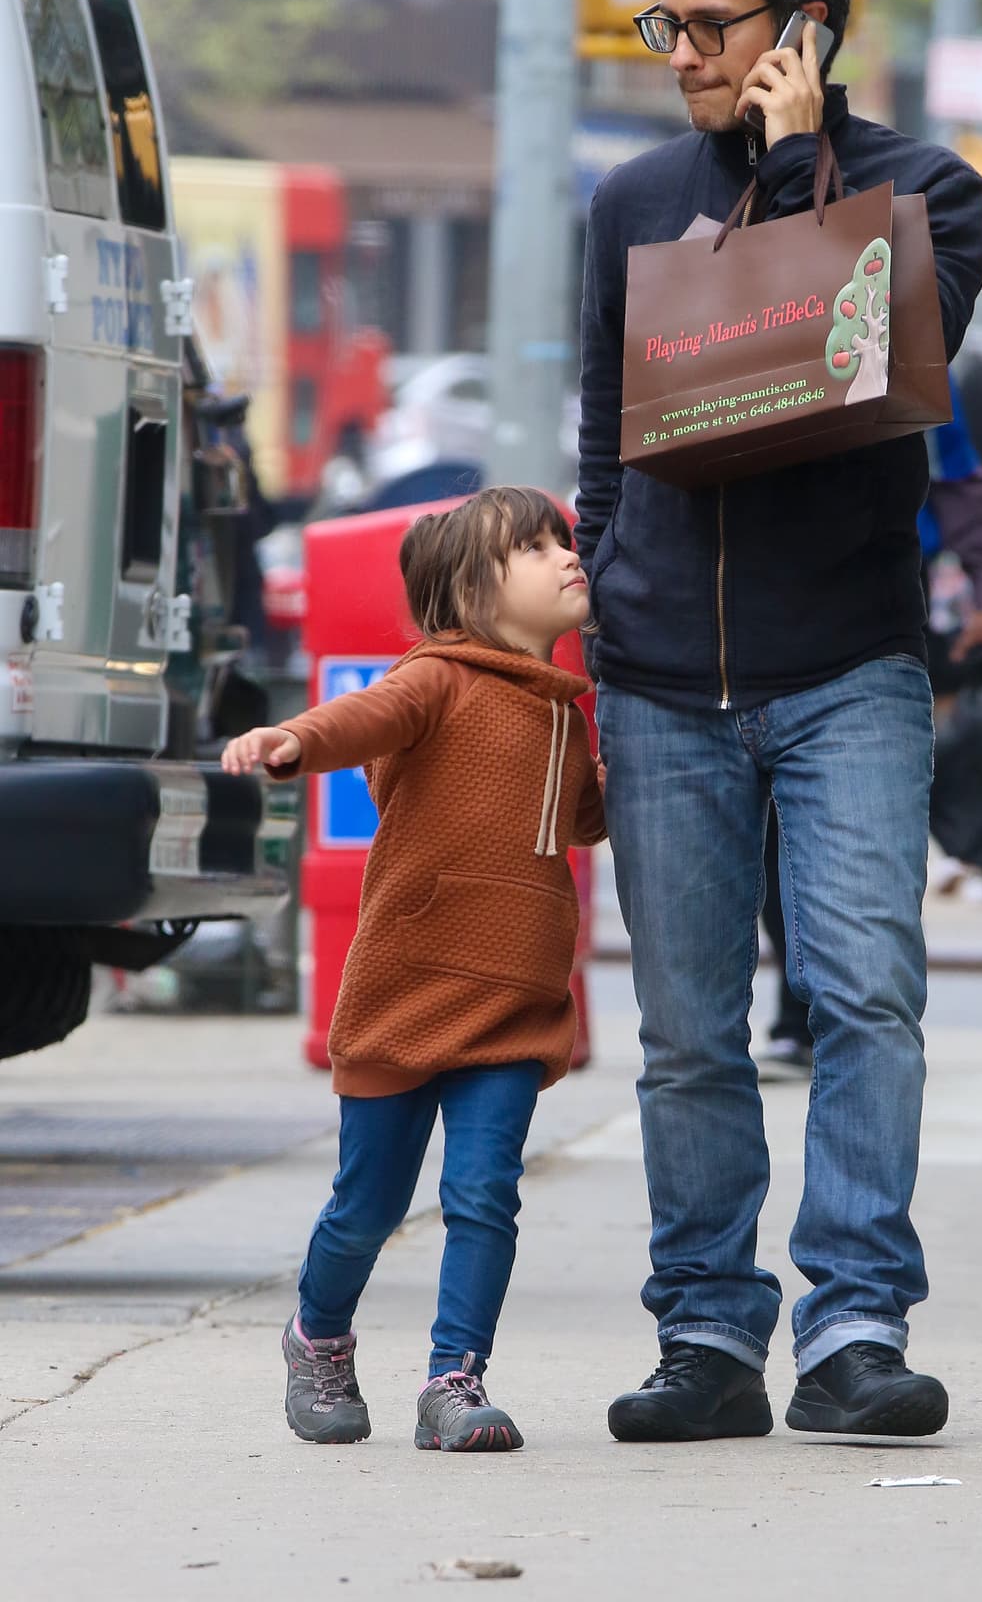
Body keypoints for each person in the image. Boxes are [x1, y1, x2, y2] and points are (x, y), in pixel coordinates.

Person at [577, 0, 982, 1443]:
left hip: (847, 667)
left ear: (802, 29)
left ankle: (857, 1327)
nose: (679, 47)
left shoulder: (927, 191)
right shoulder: (627, 201)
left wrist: (805, 164)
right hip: (665, 673)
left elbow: (875, 368)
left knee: (866, 996)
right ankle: (705, 1332)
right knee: (690, 1032)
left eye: (711, 22)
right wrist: (612, 589)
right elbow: (604, 436)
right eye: (664, 20)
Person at [221, 488, 605, 1452]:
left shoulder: (569, 712)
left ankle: (454, 1381)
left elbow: (590, 818)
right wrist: (293, 741)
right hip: (408, 988)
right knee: (369, 1205)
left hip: (515, 1002)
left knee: (485, 1195)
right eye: (535, 547)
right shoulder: (436, 678)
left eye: (567, 540)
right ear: (473, 589)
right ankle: (317, 1336)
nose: (567, 555)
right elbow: (367, 716)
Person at [757, 372, 982, 1080]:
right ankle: (802, 1004)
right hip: (750, 606)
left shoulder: (906, 341)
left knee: (855, 835)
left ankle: (825, 1010)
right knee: (773, 832)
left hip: (878, 611)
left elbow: (960, 482)